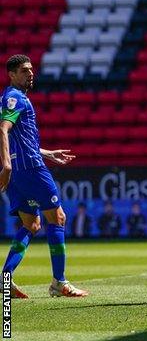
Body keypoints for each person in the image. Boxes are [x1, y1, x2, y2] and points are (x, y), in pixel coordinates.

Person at [0, 54, 88, 298]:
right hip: (30, 170)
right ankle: (59, 282)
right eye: (24, 70)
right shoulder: (15, 98)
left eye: (31, 69)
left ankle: (4, 278)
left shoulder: (9, 98)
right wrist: (5, 165)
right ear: (12, 74)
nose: (31, 74)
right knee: (57, 218)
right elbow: (3, 129)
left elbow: (20, 139)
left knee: (32, 224)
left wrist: (48, 153)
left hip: (21, 171)